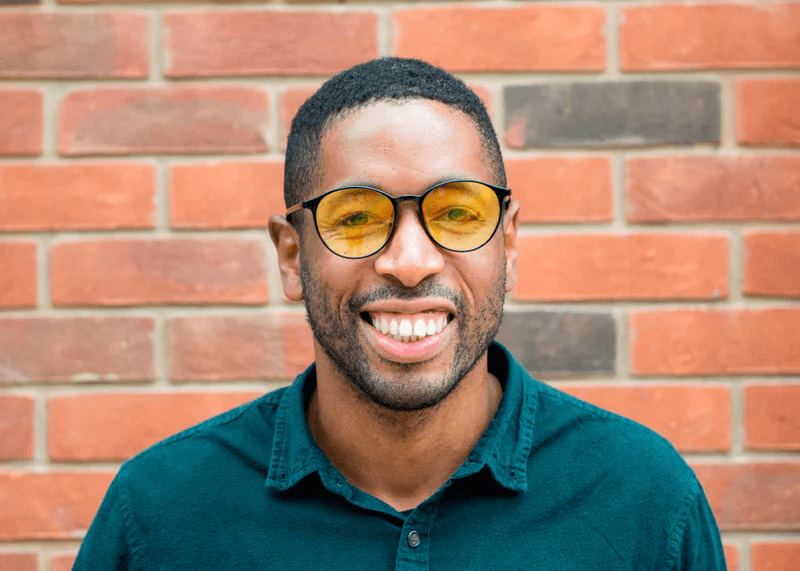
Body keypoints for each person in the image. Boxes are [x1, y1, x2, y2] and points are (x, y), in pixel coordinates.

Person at [74, 57, 726, 570]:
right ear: (290, 252)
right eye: (355, 217)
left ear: (509, 240)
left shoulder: (645, 503)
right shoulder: (160, 515)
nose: (410, 262)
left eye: (457, 213)